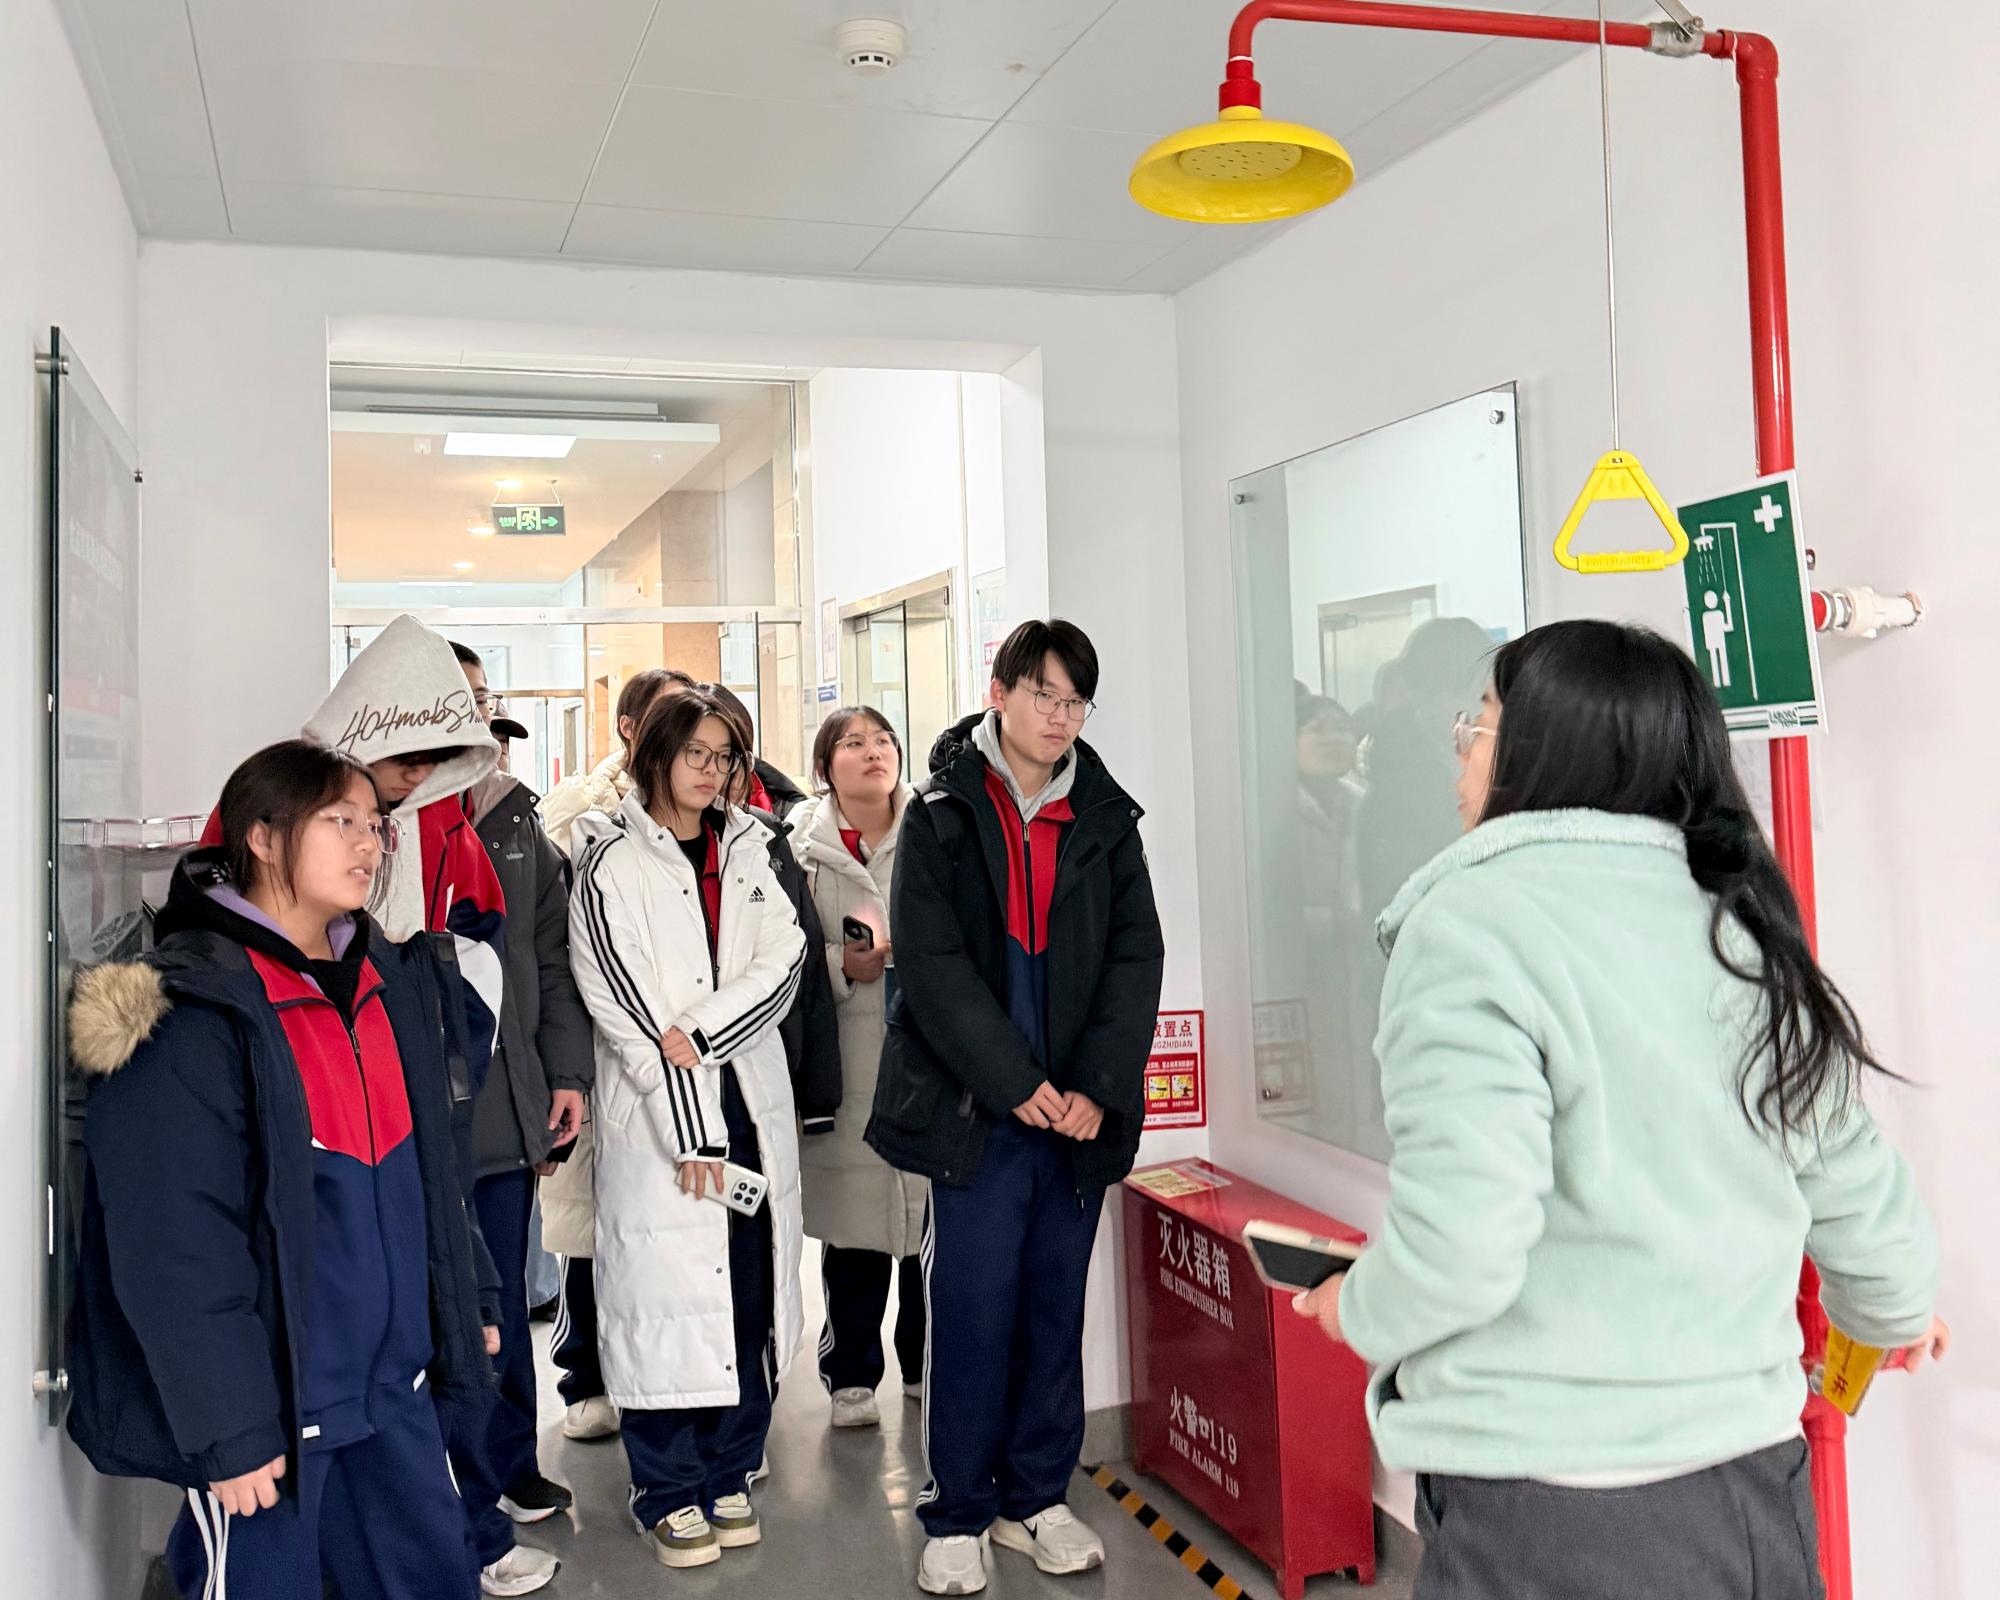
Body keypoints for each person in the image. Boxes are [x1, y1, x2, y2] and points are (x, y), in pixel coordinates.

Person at [1294, 621, 1945, 1600]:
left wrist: (1358, 1305)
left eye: (1477, 724)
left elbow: (1465, 1240)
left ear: (1542, 750)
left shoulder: (1469, 924)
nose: (1459, 751)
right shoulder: (1737, 922)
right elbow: (1857, 1187)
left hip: (1550, 1508)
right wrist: (1888, 1314)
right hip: (1752, 1489)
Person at [67, 742, 491, 1600]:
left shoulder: (385, 978)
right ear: (262, 837)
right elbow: (174, 1246)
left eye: (373, 825)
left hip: (393, 1397)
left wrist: (469, 1295)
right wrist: (229, 1427)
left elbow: (432, 1170)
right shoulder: (191, 1008)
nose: (368, 844)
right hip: (278, 1422)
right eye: (340, 822)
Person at [868, 620, 1164, 1596]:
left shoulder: (1105, 817)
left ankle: (1034, 1498)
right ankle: (957, 1510)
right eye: (1044, 694)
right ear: (999, 692)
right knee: (971, 1312)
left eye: (1075, 700)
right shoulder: (943, 811)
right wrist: (1013, 1082)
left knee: (1052, 1309)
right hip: (979, 1113)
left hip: (1074, 1118)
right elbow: (932, 964)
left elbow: (1136, 956)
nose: (1060, 715)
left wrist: (1096, 1089)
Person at [567, 688, 809, 1570]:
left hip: (749, 1106)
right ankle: (666, 1488)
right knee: (665, 1305)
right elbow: (627, 1012)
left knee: (746, 1295)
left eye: (725, 755)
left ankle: (731, 1467)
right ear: (656, 755)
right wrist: (694, 1136)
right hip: (662, 1123)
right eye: (696, 753)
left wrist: (705, 1031)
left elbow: (785, 961)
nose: (712, 771)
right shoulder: (610, 863)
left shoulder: (749, 847)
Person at [449, 643, 595, 1594]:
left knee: (504, 1298)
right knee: (452, 1313)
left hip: (509, 1104)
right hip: (421, 1119)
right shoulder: (385, 819)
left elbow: (554, 960)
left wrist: (564, 1076)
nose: (476, 715)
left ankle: (508, 1463)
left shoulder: (516, 821)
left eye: (483, 698)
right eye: (459, 697)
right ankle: (456, 1495)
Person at [539, 668, 695, 1442]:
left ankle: (664, 1376)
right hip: (596, 1044)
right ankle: (585, 1376)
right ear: (629, 727)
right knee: (589, 1225)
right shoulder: (575, 812)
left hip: (680, 1047)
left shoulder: (708, 807)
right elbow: (550, 938)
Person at [788, 707, 926, 1430]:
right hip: (842, 1066)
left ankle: (925, 1363)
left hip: (925, 1061)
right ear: (825, 768)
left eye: (883, 740)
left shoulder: (934, 832)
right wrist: (842, 964)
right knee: (853, 1233)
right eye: (853, 743)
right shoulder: (799, 851)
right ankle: (850, 1374)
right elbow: (778, 954)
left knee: (926, 1226)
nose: (874, 752)